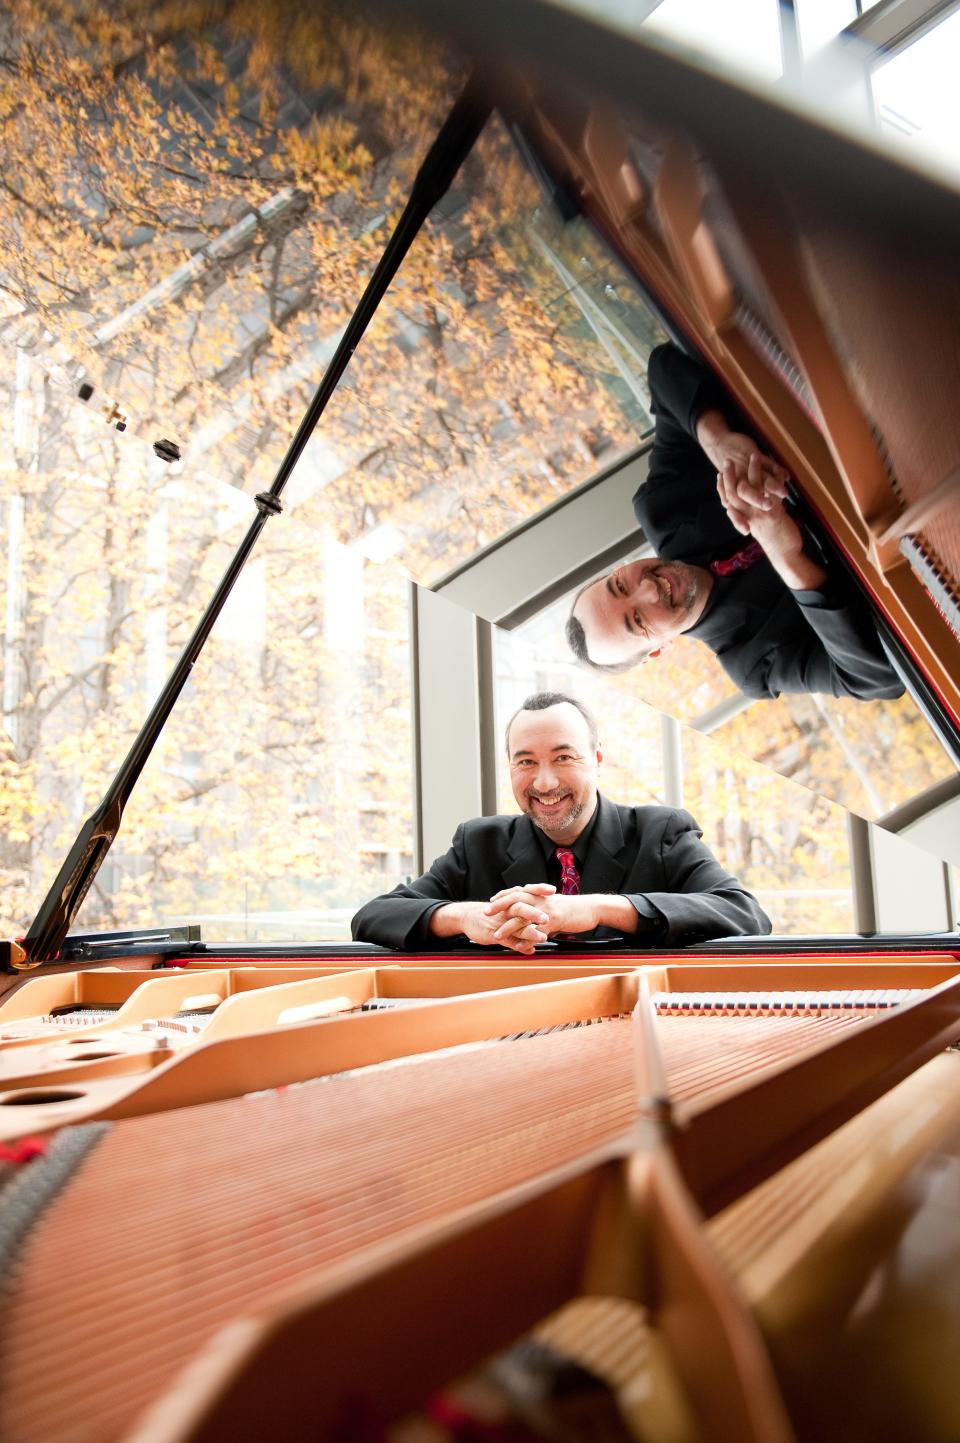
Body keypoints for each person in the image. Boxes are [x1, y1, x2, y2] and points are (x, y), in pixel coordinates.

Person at [566, 342, 904, 701]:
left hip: (865, 406)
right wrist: (788, 560)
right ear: (657, 651)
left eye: (620, 585)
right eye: (637, 620)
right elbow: (879, 679)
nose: (648, 589)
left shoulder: (662, 508)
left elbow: (663, 367)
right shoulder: (753, 664)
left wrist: (718, 442)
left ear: (620, 569)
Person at [351, 691, 770, 952]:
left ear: (597, 760)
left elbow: (746, 915)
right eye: (526, 762)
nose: (544, 781)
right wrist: (466, 918)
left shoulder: (661, 832)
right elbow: (373, 916)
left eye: (563, 758)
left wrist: (594, 909)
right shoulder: (478, 842)